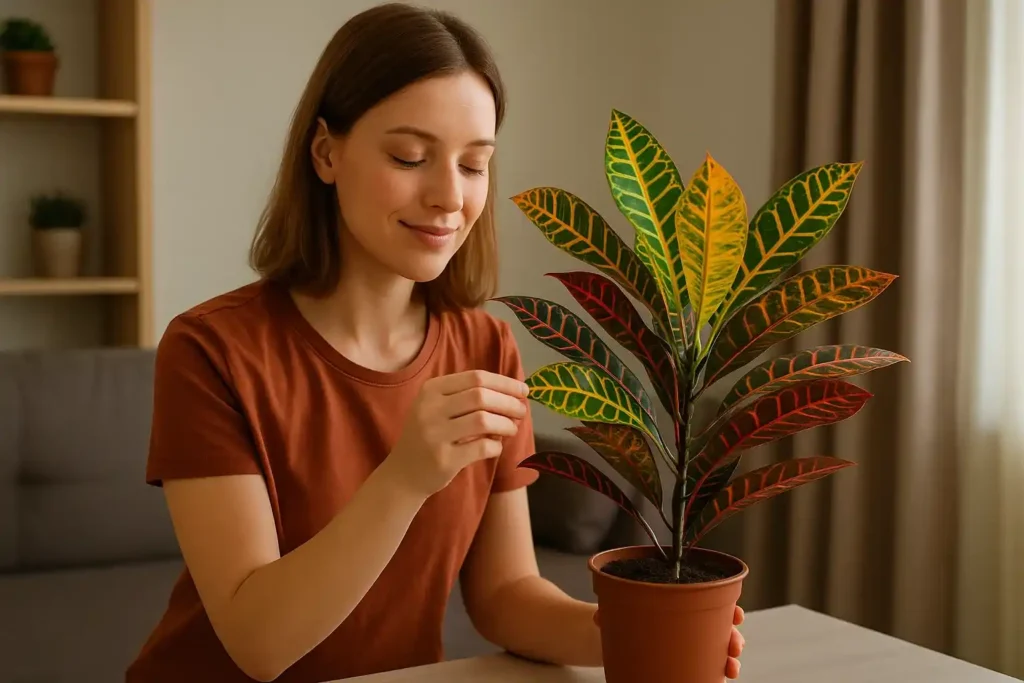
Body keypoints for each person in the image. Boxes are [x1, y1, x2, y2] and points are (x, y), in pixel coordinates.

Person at [126, 3, 745, 682]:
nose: (450, 196)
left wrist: (635, 635)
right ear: (326, 153)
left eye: (475, 165)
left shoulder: (487, 346)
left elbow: (505, 594)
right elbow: (258, 642)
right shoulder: (211, 350)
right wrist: (406, 476)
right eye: (410, 156)